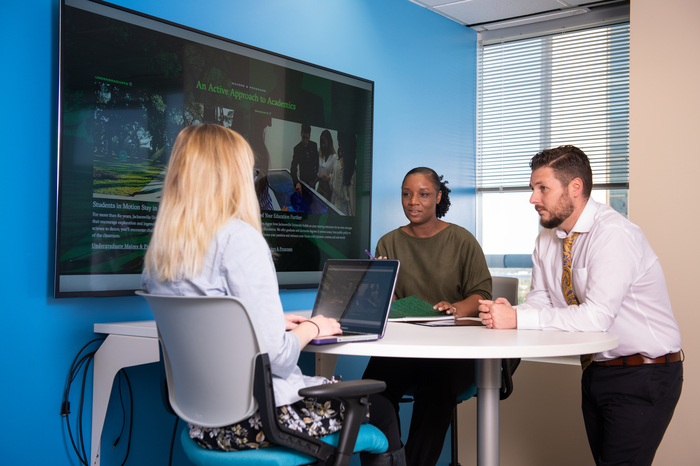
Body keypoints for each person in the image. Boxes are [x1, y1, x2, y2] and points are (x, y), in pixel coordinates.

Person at [141, 123, 404, 464]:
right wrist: (313, 328)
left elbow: (209, 323)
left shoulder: (161, 253)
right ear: (232, 176)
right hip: (261, 422)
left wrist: (264, 322)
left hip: (203, 426)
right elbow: (278, 360)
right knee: (381, 409)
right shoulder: (240, 240)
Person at [478, 146, 683, 466]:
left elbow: (597, 317)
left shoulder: (613, 234)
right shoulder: (546, 239)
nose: (532, 198)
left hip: (645, 372)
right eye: (533, 188)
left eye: (542, 188)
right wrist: (517, 312)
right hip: (596, 372)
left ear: (575, 187)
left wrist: (518, 318)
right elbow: (542, 298)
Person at [362, 167, 492, 466]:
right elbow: (389, 306)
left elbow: (481, 294)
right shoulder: (388, 243)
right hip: (404, 348)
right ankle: (391, 458)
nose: (413, 201)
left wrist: (456, 308)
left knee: (435, 392)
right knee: (370, 391)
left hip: (454, 352)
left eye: (423, 194)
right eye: (406, 194)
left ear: (438, 197)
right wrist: (382, 287)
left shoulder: (461, 240)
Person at [329, 132, 357, 216]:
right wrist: (330, 178)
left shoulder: (354, 164)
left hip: (345, 210)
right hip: (335, 203)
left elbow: (351, 195)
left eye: (339, 140)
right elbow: (335, 179)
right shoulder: (339, 157)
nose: (338, 144)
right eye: (337, 140)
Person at [290, 122, 318, 196]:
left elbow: (317, 163)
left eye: (307, 138)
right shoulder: (297, 149)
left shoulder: (314, 146)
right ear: (301, 133)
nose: (305, 141)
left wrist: (314, 180)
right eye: (303, 137)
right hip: (302, 183)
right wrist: (297, 182)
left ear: (310, 136)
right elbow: (293, 168)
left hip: (313, 183)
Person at [316, 129, 337, 201]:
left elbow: (335, 176)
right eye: (321, 143)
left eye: (324, 142)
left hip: (327, 188)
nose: (322, 145)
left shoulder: (334, 157)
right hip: (320, 185)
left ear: (329, 142)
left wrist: (328, 177)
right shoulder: (321, 155)